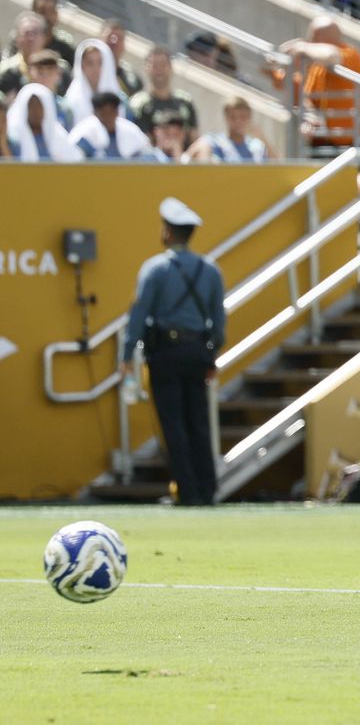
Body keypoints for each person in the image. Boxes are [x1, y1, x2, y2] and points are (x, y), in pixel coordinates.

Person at [120, 198, 226, 507]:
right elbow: (218, 324)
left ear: (168, 232)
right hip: (197, 352)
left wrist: (127, 356)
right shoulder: (210, 270)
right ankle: (208, 490)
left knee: (173, 424)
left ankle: (187, 491)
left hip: (165, 353)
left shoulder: (154, 269)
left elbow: (137, 317)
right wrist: (211, 355)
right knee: (198, 422)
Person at [273, 16, 360, 149]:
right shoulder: (317, 66)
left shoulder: (350, 54)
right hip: (335, 142)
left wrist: (303, 47)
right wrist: (310, 117)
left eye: (313, 37)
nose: (310, 41)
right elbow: (307, 96)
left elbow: (331, 55)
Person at [128, 46, 199, 144]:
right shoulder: (137, 104)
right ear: (146, 68)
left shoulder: (185, 102)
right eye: (154, 65)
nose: (159, 70)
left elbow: (194, 139)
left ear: (171, 68)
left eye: (163, 65)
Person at [5, 83, 82, 162]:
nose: (35, 111)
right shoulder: (13, 138)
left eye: (39, 106)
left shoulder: (58, 135)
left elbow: (76, 161)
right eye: (31, 106)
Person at [184, 96, 274, 163]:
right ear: (226, 118)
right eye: (233, 117)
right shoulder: (214, 141)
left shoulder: (257, 147)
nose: (238, 122)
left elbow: (279, 166)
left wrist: (262, 137)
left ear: (249, 117)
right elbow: (186, 158)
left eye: (242, 117)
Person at [70, 91, 153, 160]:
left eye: (111, 112)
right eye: (104, 113)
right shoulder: (84, 133)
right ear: (95, 113)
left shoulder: (130, 130)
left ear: (117, 112)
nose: (108, 117)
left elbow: (146, 155)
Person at [64, 39, 126, 124]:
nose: (95, 69)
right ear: (81, 66)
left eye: (100, 63)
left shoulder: (122, 101)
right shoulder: (69, 101)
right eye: (90, 63)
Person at [27, 50, 73, 130]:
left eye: (49, 73)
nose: (45, 78)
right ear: (31, 75)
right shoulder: (23, 107)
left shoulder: (65, 108)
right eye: (40, 73)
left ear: (58, 74)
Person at [100, 19, 145, 99]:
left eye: (119, 38)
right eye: (110, 37)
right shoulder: (86, 72)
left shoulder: (132, 81)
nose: (114, 42)